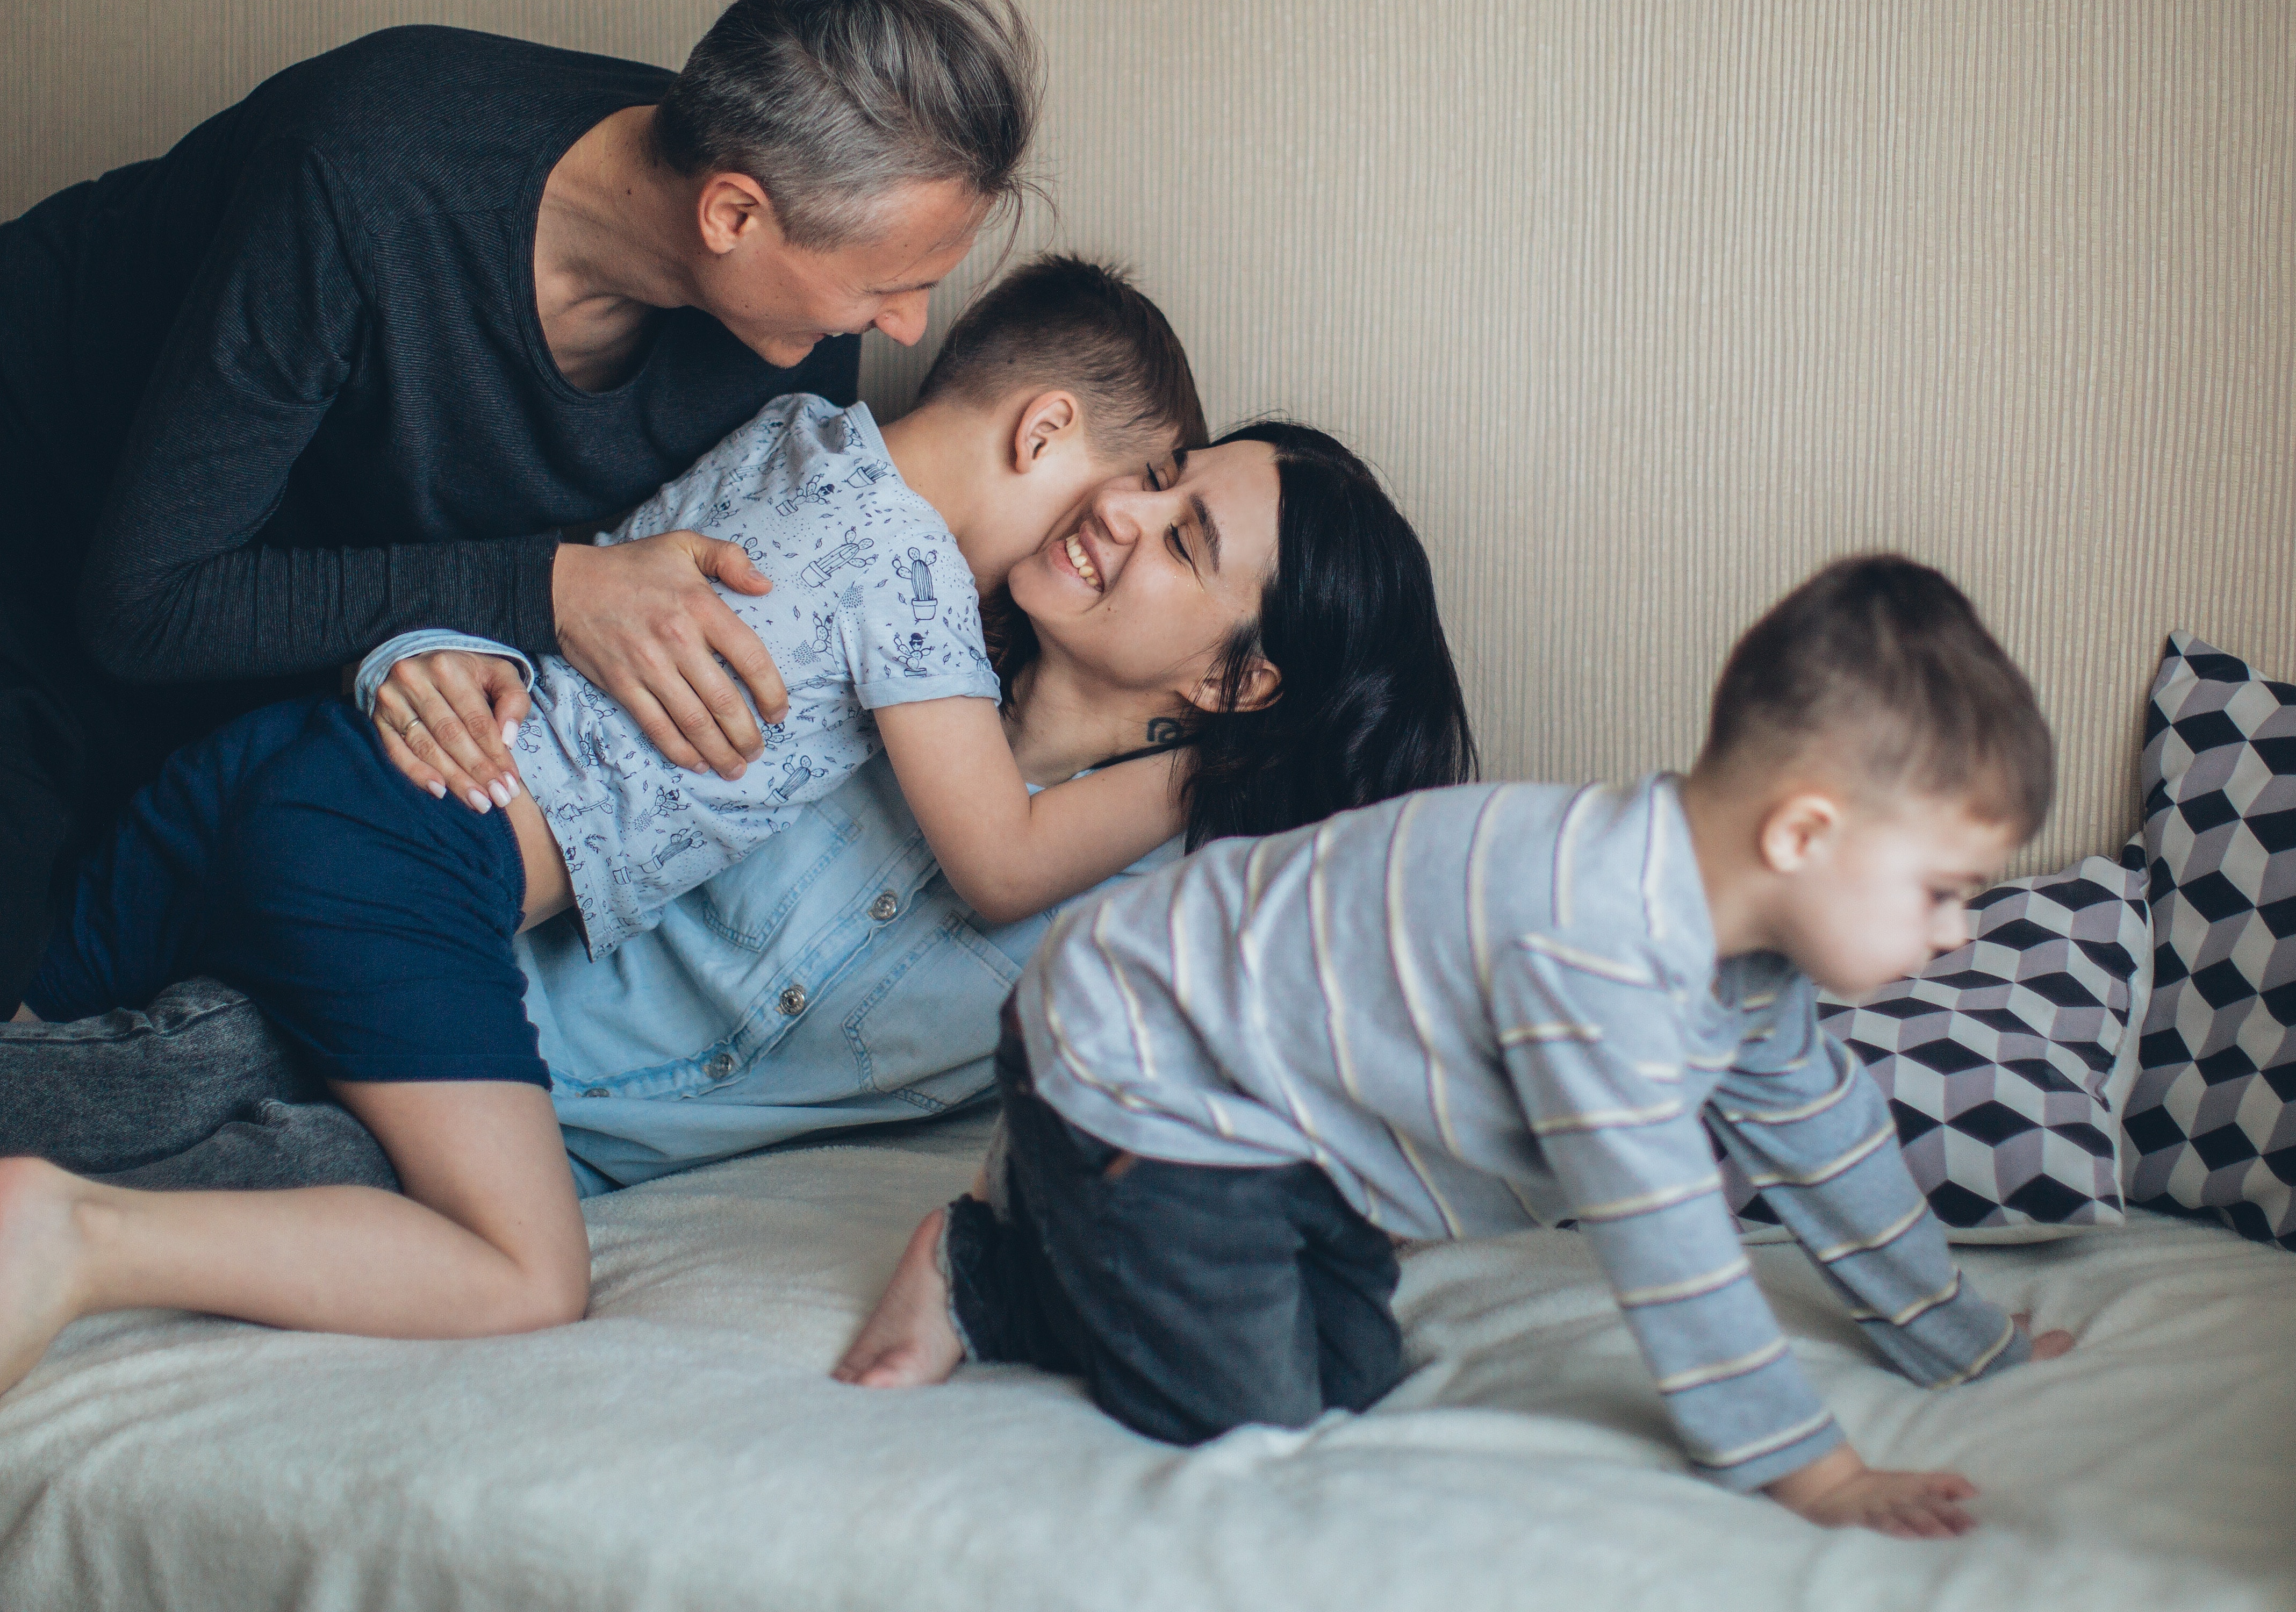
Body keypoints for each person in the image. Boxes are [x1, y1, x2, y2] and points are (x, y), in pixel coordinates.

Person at [0, 0, 1035, 1064]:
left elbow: (588, 631)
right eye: (898, 285)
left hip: (253, 584)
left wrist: (435, 641)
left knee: (148, 962)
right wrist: (529, 589)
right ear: (734, 213)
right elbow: (147, 603)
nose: (910, 329)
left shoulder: (787, 354)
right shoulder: (370, 172)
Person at [0, 414, 1476, 1288]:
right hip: (397, 959)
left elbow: (1281, 1079)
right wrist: (414, 663)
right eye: (1161, 479)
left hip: (499, 1130)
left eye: (1181, 537)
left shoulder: (1162, 920)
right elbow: (573, 627)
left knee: (261, 1153)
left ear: (1243, 677)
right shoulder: (861, 641)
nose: (1120, 511)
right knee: (193, 1048)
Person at [835, 554, 2078, 1541]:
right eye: (1943, 891)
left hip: (1286, 1113)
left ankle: (1085, 1225)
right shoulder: (1593, 951)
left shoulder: (1737, 958)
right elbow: (1669, 1239)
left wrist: (1960, 1340)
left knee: (1353, 1374)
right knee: (1242, 1410)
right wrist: (1818, 1476)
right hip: (1140, 1057)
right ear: (1804, 833)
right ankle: (983, 1270)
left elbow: (1824, 1133)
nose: (1959, 935)